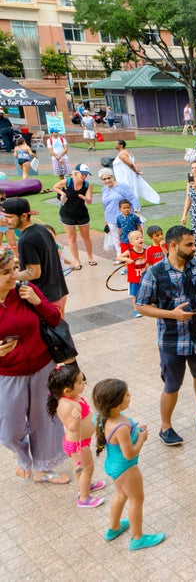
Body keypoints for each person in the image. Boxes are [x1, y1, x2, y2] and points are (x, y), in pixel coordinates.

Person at [135, 225, 196, 447]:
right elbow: (141, 306)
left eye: (194, 244)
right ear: (173, 245)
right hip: (171, 340)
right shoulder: (154, 273)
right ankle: (166, 427)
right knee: (172, 385)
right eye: (189, 244)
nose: (195, 248)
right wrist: (171, 315)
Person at [0, 248, 69, 485]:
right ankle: (23, 458)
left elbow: (55, 319)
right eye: (6, 273)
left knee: (45, 419)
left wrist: (38, 302)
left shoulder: (24, 291)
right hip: (8, 374)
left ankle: (42, 467)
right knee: (8, 428)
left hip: (42, 366)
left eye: (14, 270)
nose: (14, 276)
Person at [92, 378, 166, 550]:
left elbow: (122, 434)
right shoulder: (120, 427)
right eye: (126, 394)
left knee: (121, 496)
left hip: (112, 467)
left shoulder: (106, 417)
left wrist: (135, 427)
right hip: (126, 468)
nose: (130, 396)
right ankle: (137, 538)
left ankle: (114, 528)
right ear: (116, 403)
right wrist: (142, 438)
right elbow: (130, 453)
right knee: (137, 499)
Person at [47, 363, 105, 507]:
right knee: (87, 468)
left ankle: (85, 484)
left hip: (81, 442)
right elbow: (71, 428)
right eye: (79, 382)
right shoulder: (66, 405)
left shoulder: (73, 397)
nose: (83, 383)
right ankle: (84, 498)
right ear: (67, 390)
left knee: (80, 467)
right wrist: (76, 419)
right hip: (78, 445)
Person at [2, 197, 69, 311]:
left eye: (9, 217)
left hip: (44, 298)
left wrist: (8, 275)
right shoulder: (42, 229)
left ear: (23, 216)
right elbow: (44, 258)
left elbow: (34, 273)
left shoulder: (27, 239)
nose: (5, 220)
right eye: (4, 216)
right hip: (57, 292)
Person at [52, 163, 97, 268]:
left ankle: (90, 257)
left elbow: (89, 201)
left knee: (86, 237)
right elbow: (55, 187)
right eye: (82, 174)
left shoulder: (87, 185)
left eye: (86, 175)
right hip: (67, 213)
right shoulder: (67, 182)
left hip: (82, 213)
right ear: (76, 173)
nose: (84, 177)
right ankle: (77, 261)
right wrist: (62, 194)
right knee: (72, 238)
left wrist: (85, 198)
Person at [98, 168, 140, 262]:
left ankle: (133, 255)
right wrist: (105, 219)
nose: (107, 180)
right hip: (110, 217)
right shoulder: (104, 189)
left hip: (124, 217)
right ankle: (120, 256)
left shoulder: (122, 186)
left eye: (109, 178)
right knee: (116, 238)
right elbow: (105, 205)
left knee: (129, 237)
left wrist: (136, 211)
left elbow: (132, 198)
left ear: (112, 177)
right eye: (104, 179)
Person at [112, 139, 160, 204]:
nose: (115, 145)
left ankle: (131, 204)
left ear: (121, 145)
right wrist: (137, 169)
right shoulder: (128, 152)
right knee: (131, 188)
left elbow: (131, 164)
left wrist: (136, 171)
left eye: (116, 144)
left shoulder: (122, 155)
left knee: (127, 188)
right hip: (129, 174)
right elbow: (135, 162)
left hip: (126, 175)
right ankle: (130, 203)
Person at [119, 230, 148, 318]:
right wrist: (127, 260)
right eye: (137, 238)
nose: (140, 239)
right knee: (135, 294)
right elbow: (119, 257)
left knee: (147, 292)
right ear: (131, 242)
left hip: (144, 277)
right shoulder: (130, 252)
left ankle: (147, 306)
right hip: (134, 279)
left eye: (141, 237)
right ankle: (136, 310)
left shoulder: (146, 250)